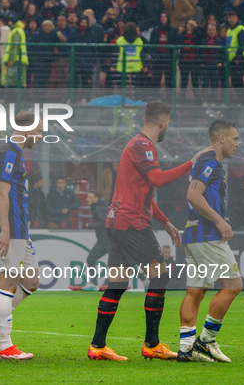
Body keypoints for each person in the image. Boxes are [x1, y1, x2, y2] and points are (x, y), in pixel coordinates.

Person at [87, 101, 212, 361]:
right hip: (132, 223)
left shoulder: (138, 145)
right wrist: (193, 161)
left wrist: (165, 222)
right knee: (161, 275)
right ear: (163, 122)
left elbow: (144, 193)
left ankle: (97, 346)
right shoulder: (143, 145)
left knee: (118, 284)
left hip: (117, 222)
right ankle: (151, 344)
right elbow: (157, 180)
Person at [0, 111, 43, 360]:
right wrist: (4, 229)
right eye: (39, 130)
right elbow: (1, 194)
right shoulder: (9, 152)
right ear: (27, 129)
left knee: (32, 281)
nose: (40, 135)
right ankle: (4, 345)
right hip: (10, 229)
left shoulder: (15, 153)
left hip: (19, 230)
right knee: (8, 285)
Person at [178, 120, 241, 363]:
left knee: (195, 291)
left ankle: (186, 350)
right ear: (221, 138)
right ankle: (205, 340)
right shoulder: (210, 162)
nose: (238, 143)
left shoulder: (203, 161)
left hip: (193, 236)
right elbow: (193, 195)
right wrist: (220, 222)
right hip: (208, 236)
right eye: (234, 138)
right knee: (233, 285)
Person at [82, 191, 110, 291]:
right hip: (104, 240)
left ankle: (95, 283)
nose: (87, 199)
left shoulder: (99, 209)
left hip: (107, 240)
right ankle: (94, 283)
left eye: (90, 197)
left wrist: (90, 226)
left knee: (91, 259)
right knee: (121, 263)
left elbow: (104, 223)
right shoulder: (100, 207)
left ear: (96, 199)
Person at [226, 11, 244, 89]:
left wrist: (237, 58)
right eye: (229, 18)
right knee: (235, 81)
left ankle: (241, 100)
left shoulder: (240, 29)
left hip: (239, 59)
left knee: (239, 81)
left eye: (233, 17)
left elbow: (242, 45)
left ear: (237, 18)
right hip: (231, 60)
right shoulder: (229, 30)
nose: (231, 20)